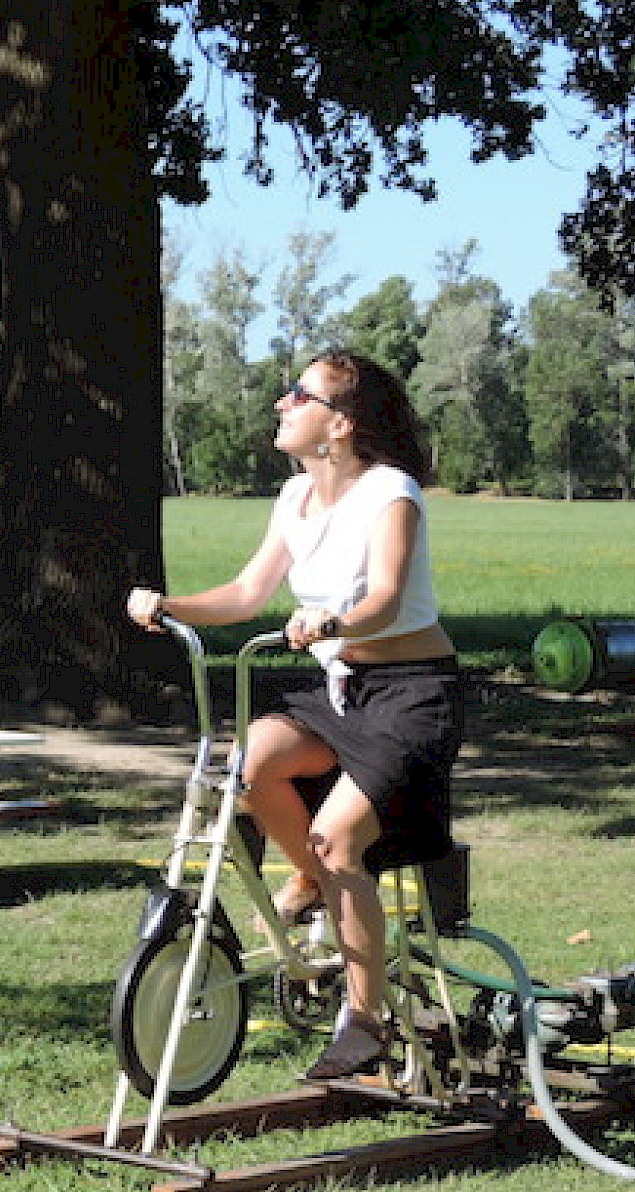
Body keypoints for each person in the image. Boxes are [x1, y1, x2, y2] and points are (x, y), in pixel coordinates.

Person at [125, 349, 466, 1081]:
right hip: (341, 689)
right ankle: (310, 879)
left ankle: (365, 1021)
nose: (282, 404)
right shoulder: (294, 499)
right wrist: (168, 606)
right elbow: (248, 594)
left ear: (338, 424)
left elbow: (386, 597)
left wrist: (334, 622)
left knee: (341, 837)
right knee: (252, 763)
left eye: (297, 394)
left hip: (412, 694)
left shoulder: (389, 493)